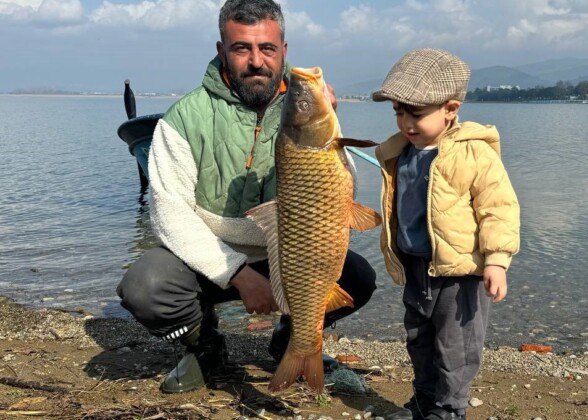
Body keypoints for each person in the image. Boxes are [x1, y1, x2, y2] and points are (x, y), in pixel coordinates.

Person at [116, 0, 376, 394]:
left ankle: (294, 337)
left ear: (283, 51)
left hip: (289, 258)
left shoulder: (305, 108)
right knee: (146, 285)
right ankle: (205, 346)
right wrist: (239, 275)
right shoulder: (184, 118)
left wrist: (334, 128)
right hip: (209, 259)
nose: (257, 60)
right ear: (222, 50)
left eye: (267, 48)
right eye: (242, 48)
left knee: (358, 277)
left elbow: (334, 199)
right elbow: (170, 214)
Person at [372, 48, 520, 420]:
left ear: (450, 109)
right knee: (418, 340)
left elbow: (498, 209)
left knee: (455, 347)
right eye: (398, 111)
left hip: (460, 274)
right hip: (416, 266)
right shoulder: (401, 152)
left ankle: (450, 409)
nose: (405, 122)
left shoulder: (475, 154)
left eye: (416, 113)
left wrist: (497, 262)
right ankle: (423, 401)